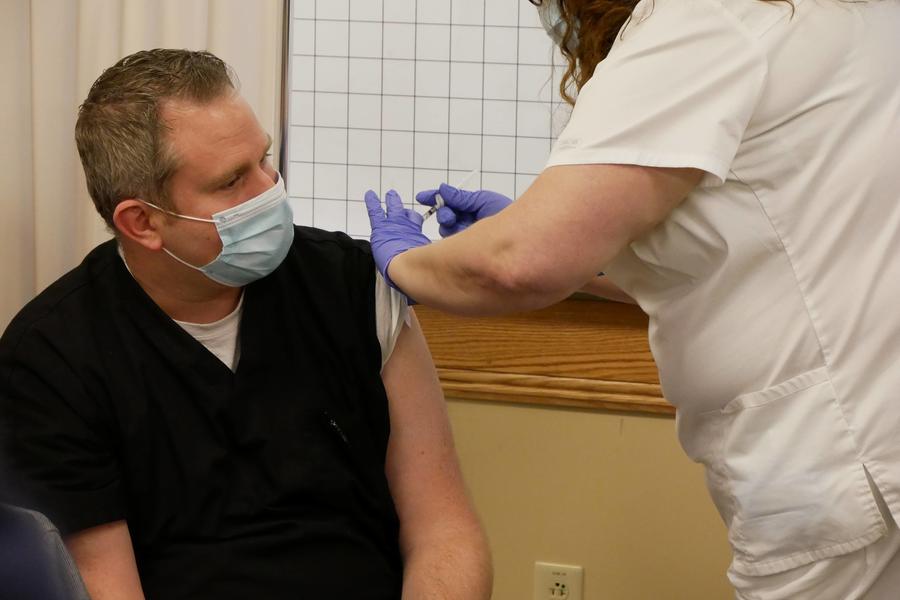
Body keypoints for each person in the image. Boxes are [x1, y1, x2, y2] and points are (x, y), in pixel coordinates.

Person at [364, 1, 900, 599]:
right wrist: (557, 241)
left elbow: (515, 265)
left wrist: (407, 261)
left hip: (837, 452)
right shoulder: (837, 19)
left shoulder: (703, 21)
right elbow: (746, 251)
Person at [0, 49, 491, 600]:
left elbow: (444, 530)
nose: (270, 190)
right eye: (233, 181)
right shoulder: (52, 356)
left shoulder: (353, 284)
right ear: (142, 222)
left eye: (265, 159)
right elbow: (102, 583)